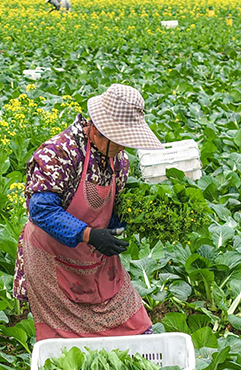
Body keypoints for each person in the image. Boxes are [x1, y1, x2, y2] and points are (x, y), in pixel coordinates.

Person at [13, 84, 165, 340]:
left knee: (136, 328)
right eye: (119, 140)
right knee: (67, 346)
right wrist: (88, 234)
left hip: (95, 259)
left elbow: (111, 206)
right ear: (97, 129)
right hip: (52, 259)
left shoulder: (119, 161)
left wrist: (119, 225)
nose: (123, 148)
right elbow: (41, 210)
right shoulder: (60, 153)